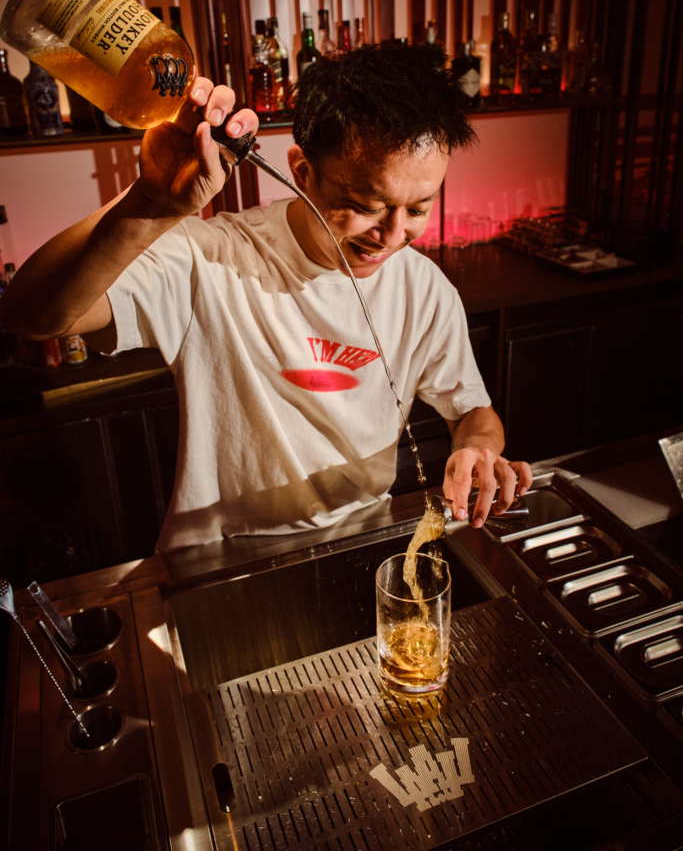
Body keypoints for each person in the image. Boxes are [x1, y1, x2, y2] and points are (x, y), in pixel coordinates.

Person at [0, 45, 532, 551]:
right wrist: (149, 205)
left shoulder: (425, 288)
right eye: (364, 205)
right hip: (221, 557)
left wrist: (477, 449)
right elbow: (32, 315)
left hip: (363, 540)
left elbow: (473, 411)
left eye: (417, 209)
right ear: (302, 171)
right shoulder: (212, 256)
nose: (391, 235)